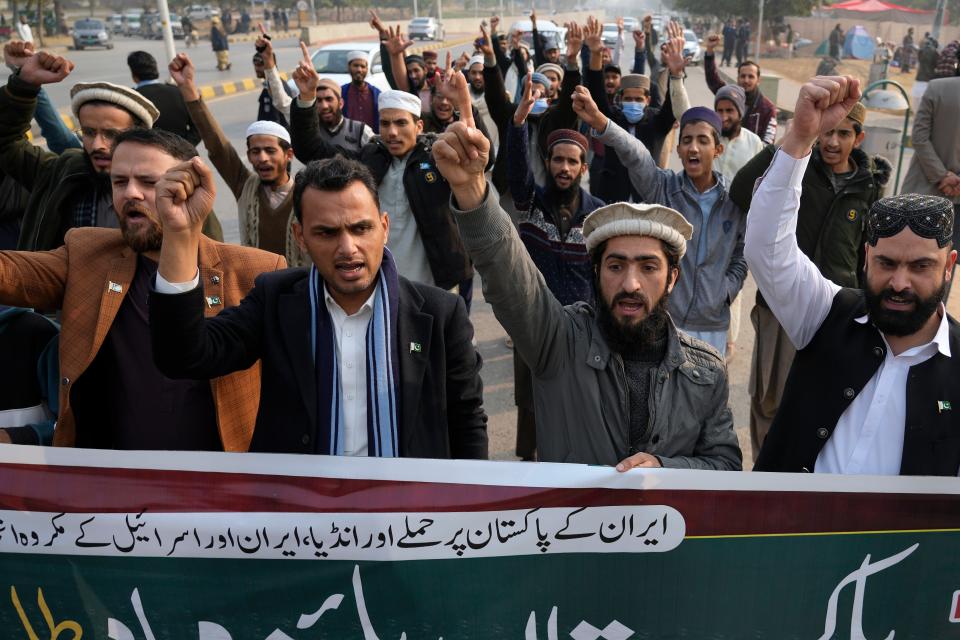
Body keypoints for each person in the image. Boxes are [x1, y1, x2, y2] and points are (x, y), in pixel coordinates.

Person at [432, 117, 742, 470]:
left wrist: (665, 469)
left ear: (672, 278)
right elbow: (510, 274)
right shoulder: (560, 342)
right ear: (596, 272)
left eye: (648, 267)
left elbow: (724, 465)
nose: (630, 284)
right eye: (615, 266)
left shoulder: (705, 371)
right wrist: (472, 189)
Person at [149, 153, 488, 459]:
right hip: (299, 518)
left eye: (360, 228)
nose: (348, 247)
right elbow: (184, 355)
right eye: (326, 233)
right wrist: (180, 234)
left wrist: (469, 510)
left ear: (383, 228)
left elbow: (467, 420)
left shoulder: (441, 313)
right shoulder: (274, 299)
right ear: (300, 237)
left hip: (406, 517)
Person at [0, 128, 285, 450]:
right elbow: (9, 274)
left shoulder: (255, 272)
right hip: (113, 480)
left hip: (220, 483)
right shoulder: (87, 253)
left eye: (149, 183)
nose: (130, 194)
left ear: (192, 186)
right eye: (120, 182)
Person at [746, 75, 960, 476]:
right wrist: (799, 138)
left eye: (920, 267)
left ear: (949, 267)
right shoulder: (828, 313)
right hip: (785, 536)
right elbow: (766, 250)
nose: (900, 283)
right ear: (866, 258)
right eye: (887, 264)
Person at [732, 101, 891, 458]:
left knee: (827, 402)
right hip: (782, 306)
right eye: (827, 132)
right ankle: (767, 474)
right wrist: (794, 140)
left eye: (843, 134)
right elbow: (742, 190)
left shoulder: (868, 188)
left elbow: (868, 255)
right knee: (770, 400)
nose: (832, 142)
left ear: (859, 138)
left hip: (840, 315)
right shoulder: (798, 167)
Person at [575, 86, 747, 357]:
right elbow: (636, 154)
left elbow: (742, 252)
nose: (693, 147)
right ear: (678, 149)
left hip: (712, 324)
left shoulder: (732, 202)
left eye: (702, 140)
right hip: (664, 320)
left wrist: (726, 290)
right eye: (687, 140)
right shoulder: (663, 188)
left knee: (704, 394)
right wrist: (603, 124)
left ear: (717, 149)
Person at [0, 43, 221, 251]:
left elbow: (209, 261)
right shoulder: (62, 173)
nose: (97, 145)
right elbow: (7, 142)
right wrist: (24, 84)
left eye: (112, 134)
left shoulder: (176, 190)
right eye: (88, 132)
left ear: (136, 136)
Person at [289, 44, 472, 293]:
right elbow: (311, 150)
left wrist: (462, 103)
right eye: (385, 123)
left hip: (434, 283)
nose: (392, 132)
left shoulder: (438, 158)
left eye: (400, 123)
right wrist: (307, 99)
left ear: (418, 127)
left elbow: (478, 155)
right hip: (380, 284)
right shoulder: (369, 159)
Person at [507, 80, 606, 460]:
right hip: (534, 324)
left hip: (582, 327)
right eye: (557, 160)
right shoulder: (531, 201)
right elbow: (516, 170)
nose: (564, 168)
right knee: (532, 405)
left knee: (577, 405)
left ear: (583, 167)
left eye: (572, 161)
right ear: (547, 162)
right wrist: (518, 122)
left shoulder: (598, 213)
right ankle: (529, 469)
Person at [170, 53, 310, 268]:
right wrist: (189, 90)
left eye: (270, 151)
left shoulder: (307, 195)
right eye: (255, 151)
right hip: (254, 285)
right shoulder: (246, 186)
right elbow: (217, 146)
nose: (262, 158)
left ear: (288, 154)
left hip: (298, 288)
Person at [584, 25, 688, 204]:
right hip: (613, 198)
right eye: (628, 98)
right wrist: (594, 55)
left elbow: (673, 105)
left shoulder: (657, 122)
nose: (633, 103)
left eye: (638, 99)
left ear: (647, 100)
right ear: (620, 98)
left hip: (649, 200)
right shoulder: (613, 119)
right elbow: (596, 92)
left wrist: (676, 73)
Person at [902, 72, 960, 299]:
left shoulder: (937, 88)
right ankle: (935, 324)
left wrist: (941, 176)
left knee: (908, 261)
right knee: (944, 268)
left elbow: (919, 137)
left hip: (923, 193)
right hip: (956, 204)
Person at [704, 40, 778, 144]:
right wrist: (709, 51)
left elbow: (768, 143)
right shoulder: (729, 95)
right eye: (743, 76)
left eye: (751, 76)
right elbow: (712, 79)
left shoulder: (768, 108)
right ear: (737, 78)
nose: (746, 80)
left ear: (758, 80)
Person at [127, 51, 200, 146]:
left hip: (147, 157)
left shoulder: (131, 98)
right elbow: (198, 128)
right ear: (155, 70)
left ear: (133, 75)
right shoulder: (179, 92)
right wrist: (183, 149)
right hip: (183, 155)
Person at [712, 85, 763, 184]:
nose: (724, 117)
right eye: (720, 111)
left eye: (729, 110)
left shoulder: (754, 142)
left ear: (740, 113)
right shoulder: (709, 137)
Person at [252, 32, 293, 129]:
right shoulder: (267, 87)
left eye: (260, 65)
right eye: (255, 65)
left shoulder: (278, 89)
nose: (256, 69)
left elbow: (275, 119)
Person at [341, 50, 381, 133]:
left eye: (363, 66)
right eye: (355, 66)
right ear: (349, 67)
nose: (359, 70)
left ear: (367, 69)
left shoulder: (377, 94)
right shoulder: (341, 92)